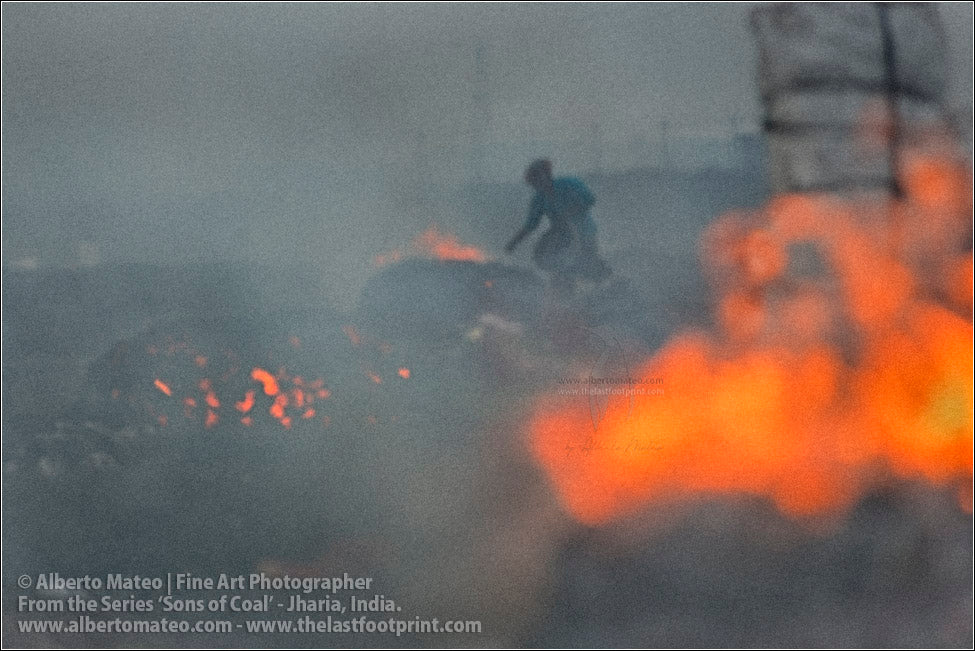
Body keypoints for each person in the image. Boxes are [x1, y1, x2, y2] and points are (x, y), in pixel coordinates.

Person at [505, 159, 611, 292]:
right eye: (534, 181)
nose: (538, 183)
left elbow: (589, 198)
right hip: (561, 234)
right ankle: (565, 287)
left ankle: (605, 285)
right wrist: (514, 242)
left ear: (547, 174)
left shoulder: (569, 184)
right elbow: (531, 224)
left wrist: (573, 209)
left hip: (584, 231)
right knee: (546, 258)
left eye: (539, 177)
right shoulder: (539, 198)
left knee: (587, 260)